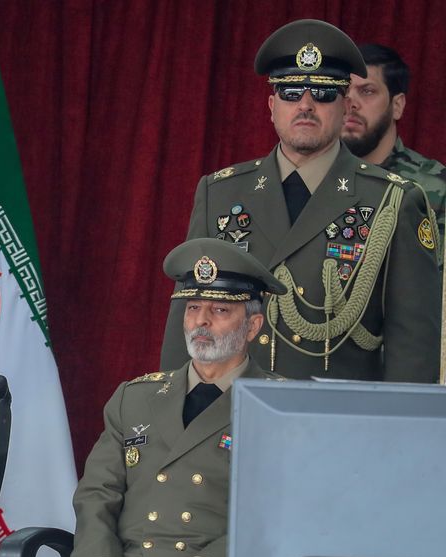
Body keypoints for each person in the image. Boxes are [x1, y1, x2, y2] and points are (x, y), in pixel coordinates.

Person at [27, 238, 284, 557]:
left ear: (253, 324)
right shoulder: (136, 397)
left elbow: (279, 510)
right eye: (193, 309)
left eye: (220, 311)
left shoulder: (276, 404)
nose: (201, 322)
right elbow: (97, 491)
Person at [159, 19, 441, 383]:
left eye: (322, 94)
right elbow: (188, 314)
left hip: (335, 422)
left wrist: (393, 434)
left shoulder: (394, 200)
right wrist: (169, 421)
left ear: (344, 106)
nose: (305, 105)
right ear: (272, 104)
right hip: (230, 419)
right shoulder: (220, 192)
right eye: (291, 93)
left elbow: (414, 346)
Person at [342, 43, 445, 252]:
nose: (350, 102)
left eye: (367, 91)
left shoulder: (434, 186)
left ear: (397, 105)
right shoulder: (314, 176)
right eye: (344, 91)